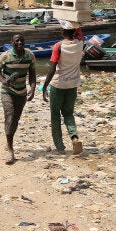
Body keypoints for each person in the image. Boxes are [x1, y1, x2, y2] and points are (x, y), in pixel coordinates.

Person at [42, 20, 84, 156]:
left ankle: (60, 147)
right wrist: (76, 23)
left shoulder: (58, 46)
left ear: (62, 32)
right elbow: (79, 32)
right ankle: (74, 137)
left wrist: (44, 86)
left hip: (58, 85)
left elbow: (53, 68)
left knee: (55, 116)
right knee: (68, 113)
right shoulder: (80, 44)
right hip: (72, 85)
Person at [0, 34, 36, 164]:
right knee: (10, 116)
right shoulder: (5, 56)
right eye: (16, 40)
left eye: (21, 40)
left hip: (21, 93)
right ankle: (11, 152)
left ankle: (8, 141)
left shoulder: (29, 56)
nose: (19, 42)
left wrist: (33, 89)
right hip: (7, 91)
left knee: (15, 119)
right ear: (11, 42)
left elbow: (33, 75)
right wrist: (3, 81)